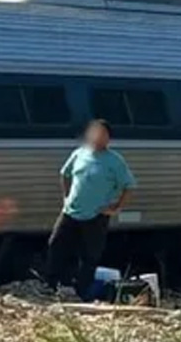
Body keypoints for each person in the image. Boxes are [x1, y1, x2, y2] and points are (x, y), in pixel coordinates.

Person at [45, 119, 136, 300]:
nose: (96, 136)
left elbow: (129, 185)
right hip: (70, 211)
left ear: (108, 138)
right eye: (94, 132)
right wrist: (66, 197)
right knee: (56, 244)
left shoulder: (114, 161)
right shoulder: (79, 153)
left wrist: (116, 207)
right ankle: (55, 284)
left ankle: (82, 291)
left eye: (101, 133)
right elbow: (65, 173)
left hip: (96, 215)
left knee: (90, 255)